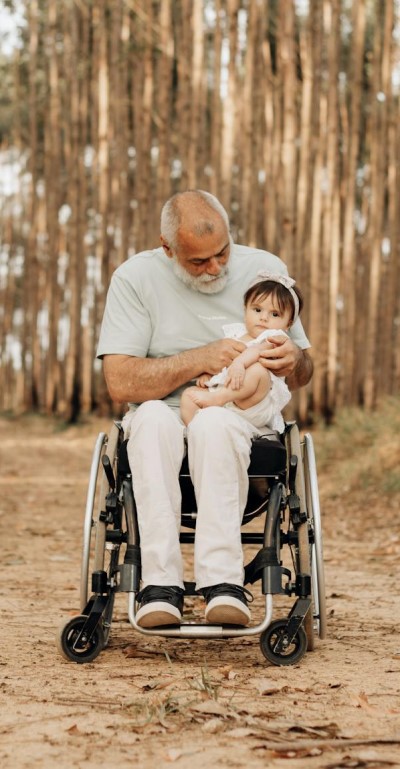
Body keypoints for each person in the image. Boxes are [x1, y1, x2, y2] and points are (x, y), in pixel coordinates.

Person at [97, 190, 313, 629]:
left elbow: (304, 369)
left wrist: (294, 359)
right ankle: (160, 585)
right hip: (163, 417)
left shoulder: (264, 270)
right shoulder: (134, 279)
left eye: (222, 253)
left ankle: (223, 583)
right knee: (154, 417)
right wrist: (200, 358)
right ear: (167, 248)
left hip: (238, 423)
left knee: (214, 422)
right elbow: (119, 382)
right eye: (199, 262)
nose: (216, 268)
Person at [180, 272, 303, 433]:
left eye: (274, 314)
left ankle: (219, 397)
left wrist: (239, 363)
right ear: (246, 310)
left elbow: (256, 351)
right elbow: (223, 362)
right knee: (188, 395)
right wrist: (210, 377)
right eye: (257, 310)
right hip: (228, 402)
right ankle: (194, 434)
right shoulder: (236, 335)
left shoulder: (275, 338)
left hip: (253, 404)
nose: (264, 318)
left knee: (258, 370)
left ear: (288, 323)